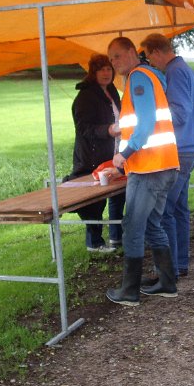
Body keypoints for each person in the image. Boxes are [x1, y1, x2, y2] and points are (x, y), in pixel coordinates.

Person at [104, 36, 180, 306]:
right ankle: (167, 283)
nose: (113, 62)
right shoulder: (152, 75)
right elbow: (145, 119)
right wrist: (121, 130)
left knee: (133, 227)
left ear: (131, 52)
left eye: (117, 55)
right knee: (152, 225)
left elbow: (146, 124)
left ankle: (129, 291)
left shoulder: (137, 77)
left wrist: (122, 155)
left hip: (149, 168)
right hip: (165, 165)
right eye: (110, 58)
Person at [139, 33, 194, 283]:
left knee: (163, 211)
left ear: (156, 52)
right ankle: (180, 264)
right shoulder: (186, 70)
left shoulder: (175, 72)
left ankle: (168, 270)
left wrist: (152, 120)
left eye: (148, 56)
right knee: (178, 210)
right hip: (189, 147)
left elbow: (180, 112)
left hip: (178, 149)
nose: (150, 63)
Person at [67, 53, 125, 253]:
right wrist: (108, 130)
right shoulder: (85, 96)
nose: (106, 73)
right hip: (91, 156)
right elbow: (84, 128)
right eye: (101, 69)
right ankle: (94, 242)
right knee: (95, 200)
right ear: (93, 72)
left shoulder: (111, 91)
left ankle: (117, 236)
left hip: (113, 152)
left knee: (119, 193)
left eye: (109, 68)